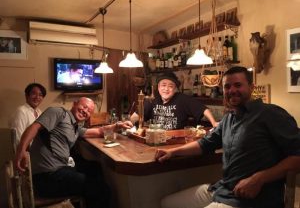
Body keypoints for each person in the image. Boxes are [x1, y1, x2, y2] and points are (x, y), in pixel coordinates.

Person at [155, 66, 300, 208]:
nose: (231, 90)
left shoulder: (270, 114)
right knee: (166, 203)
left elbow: (297, 156)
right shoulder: (229, 118)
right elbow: (204, 144)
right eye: (227, 87)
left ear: (252, 87)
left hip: (251, 201)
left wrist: (259, 179)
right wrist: (172, 152)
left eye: (238, 85)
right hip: (222, 190)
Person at [14, 97, 133, 208]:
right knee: (101, 189)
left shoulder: (75, 127)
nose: (85, 111)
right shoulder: (58, 112)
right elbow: (34, 127)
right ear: (75, 104)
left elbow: (99, 131)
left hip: (59, 170)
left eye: (89, 111)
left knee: (95, 167)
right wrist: (21, 150)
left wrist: (118, 125)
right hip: (47, 177)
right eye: (84, 107)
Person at [143, 72, 218, 130]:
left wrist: (214, 123)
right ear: (158, 87)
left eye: (170, 86)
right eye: (163, 85)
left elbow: (203, 109)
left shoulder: (182, 99)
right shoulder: (152, 99)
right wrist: (131, 121)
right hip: (156, 138)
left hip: (176, 140)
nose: (166, 89)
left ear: (175, 89)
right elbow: (138, 114)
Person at [9, 83, 47, 147]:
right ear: (27, 95)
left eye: (40, 95)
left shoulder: (39, 112)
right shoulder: (21, 111)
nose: (37, 97)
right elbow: (18, 138)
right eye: (34, 94)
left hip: (38, 150)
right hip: (26, 151)